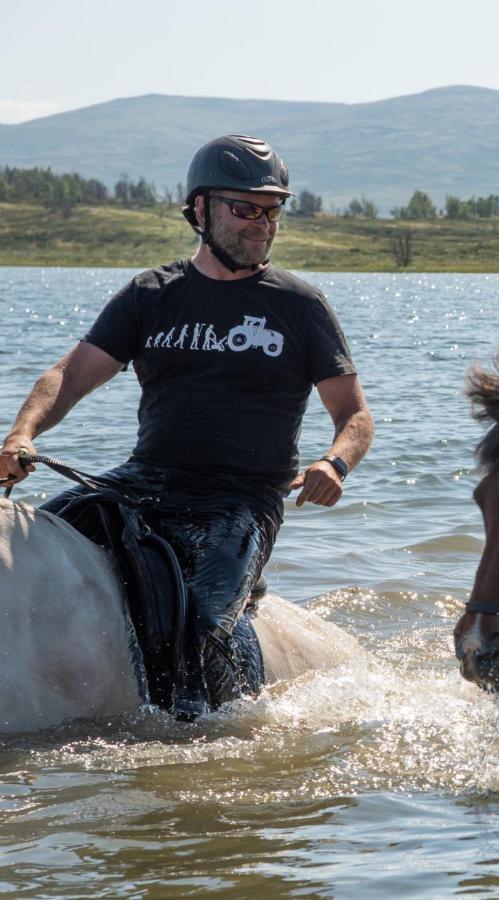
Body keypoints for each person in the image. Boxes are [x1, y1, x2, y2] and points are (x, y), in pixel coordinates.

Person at [0, 134, 374, 717]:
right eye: (245, 208)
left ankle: (227, 730)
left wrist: (335, 462)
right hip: (142, 481)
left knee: (202, 628)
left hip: (239, 500)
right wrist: (22, 435)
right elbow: (69, 376)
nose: (262, 224)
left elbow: (354, 414)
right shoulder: (151, 295)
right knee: (34, 542)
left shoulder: (300, 306)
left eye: (272, 211)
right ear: (199, 211)